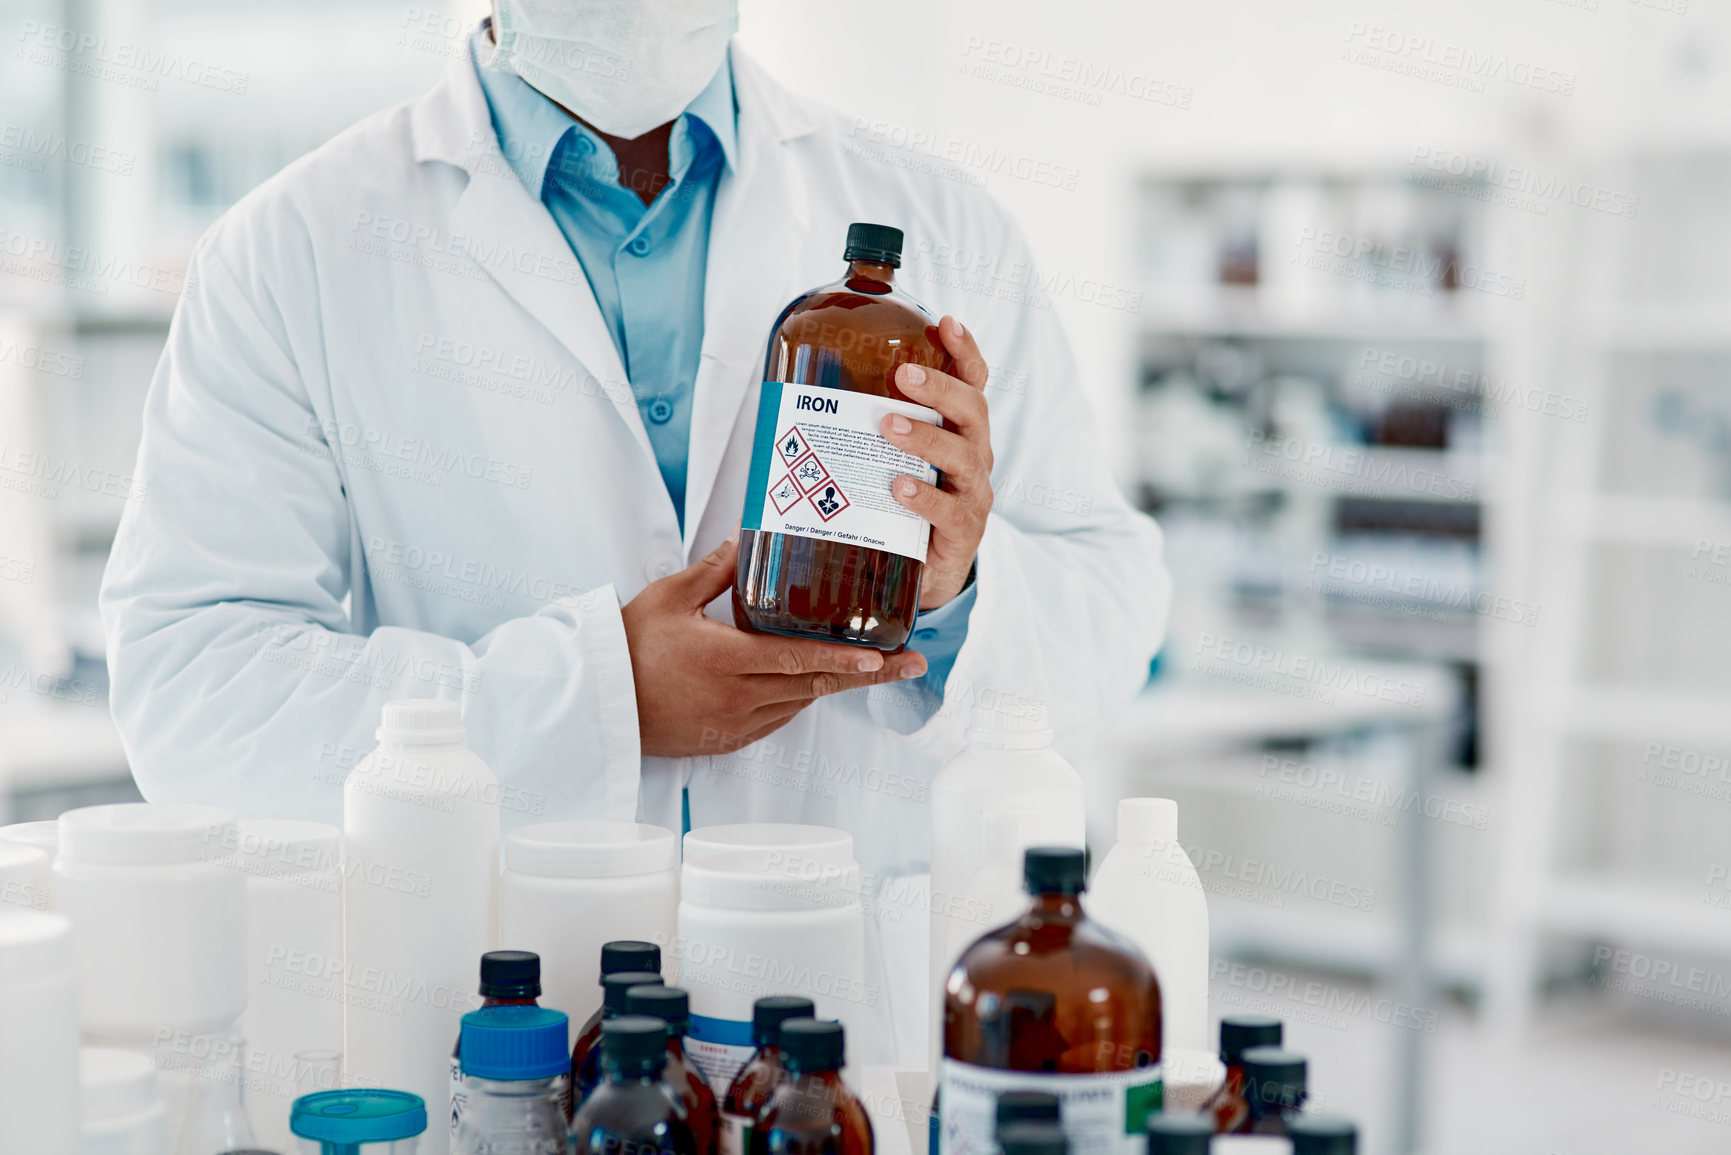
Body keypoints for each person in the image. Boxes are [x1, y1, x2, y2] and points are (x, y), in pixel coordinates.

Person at [98, 0, 1170, 1063]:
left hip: (842, 1023)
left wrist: (959, 583)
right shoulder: (295, 249)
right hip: (506, 1018)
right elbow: (196, 692)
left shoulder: (941, 220)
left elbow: (1109, 605)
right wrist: (599, 701)